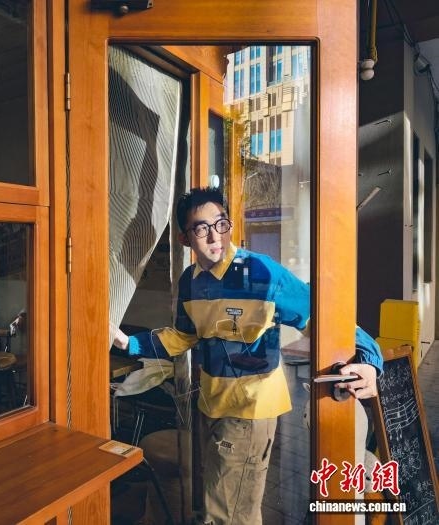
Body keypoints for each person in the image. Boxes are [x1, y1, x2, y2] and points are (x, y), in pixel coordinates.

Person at [112, 187, 383, 525]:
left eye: (220, 224)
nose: (214, 236)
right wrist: (128, 343)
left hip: (250, 410)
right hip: (210, 405)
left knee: (225, 513)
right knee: (229, 505)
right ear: (184, 238)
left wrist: (369, 358)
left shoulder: (259, 272)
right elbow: (183, 336)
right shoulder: (190, 282)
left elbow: (321, 314)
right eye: (201, 228)